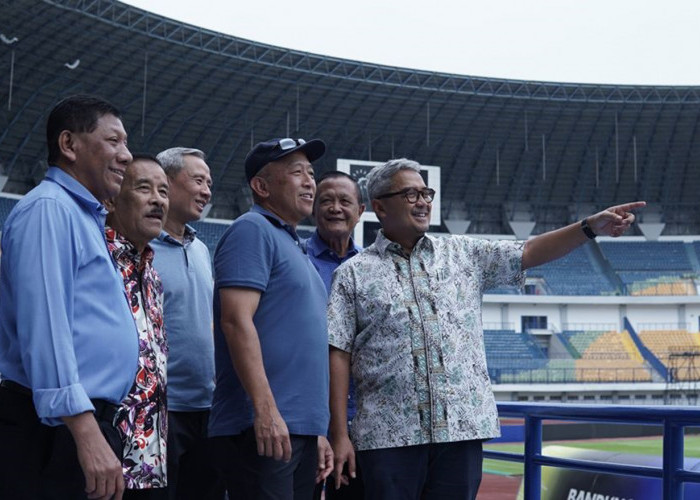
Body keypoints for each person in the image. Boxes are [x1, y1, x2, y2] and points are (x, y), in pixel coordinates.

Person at [327, 158, 646, 500]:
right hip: (387, 437)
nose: (422, 202)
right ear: (379, 207)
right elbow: (338, 352)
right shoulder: (352, 273)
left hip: (460, 434)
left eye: (426, 193)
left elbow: (529, 250)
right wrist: (339, 433)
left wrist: (589, 227)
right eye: (410, 194)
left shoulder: (464, 253)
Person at [0, 95, 137, 500]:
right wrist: (84, 429)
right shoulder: (49, 209)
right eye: (113, 141)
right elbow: (47, 328)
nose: (126, 155)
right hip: (54, 429)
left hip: (75, 424)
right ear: (69, 144)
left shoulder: (81, 215)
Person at [209, 138, 334, 499]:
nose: (310, 181)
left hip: (298, 429)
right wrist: (265, 411)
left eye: (311, 173)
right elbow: (234, 321)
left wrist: (316, 430)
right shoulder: (251, 229)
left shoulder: (294, 245)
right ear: (261, 186)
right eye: (297, 173)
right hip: (263, 427)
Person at [151, 147, 223, 499]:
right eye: (197, 180)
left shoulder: (201, 249)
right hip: (163, 408)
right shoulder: (140, 247)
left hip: (208, 407)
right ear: (166, 183)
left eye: (209, 182)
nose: (207, 191)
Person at [104, 154, 170, 498]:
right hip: (99, 452)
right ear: (112, 197)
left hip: (148, 460)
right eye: (144, 188)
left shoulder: (154, 276)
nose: (158, 199)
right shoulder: (94, 257)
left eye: (163, 191)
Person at [306, 171, 365, 500]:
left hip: (360, 420)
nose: (335, 208)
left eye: (345, 201)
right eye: (325, 200)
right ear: (314, 209)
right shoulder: (295, 260)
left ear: (361, 210)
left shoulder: (372, 267)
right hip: (306, 416)